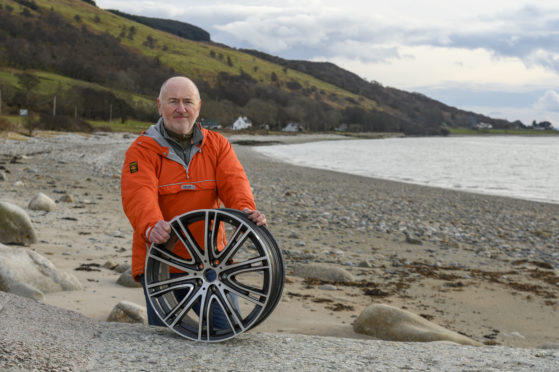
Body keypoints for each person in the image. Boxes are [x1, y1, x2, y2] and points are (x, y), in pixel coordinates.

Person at [121, 76, 266, 326]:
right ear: (159, 106)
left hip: (211, 264)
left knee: (227, 330)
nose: (181, 109)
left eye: (188, 102)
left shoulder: (217, 145)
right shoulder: (141, 150)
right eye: (173, 102)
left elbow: (235, 183)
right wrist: (151, 225)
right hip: (160, 266)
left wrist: (246, 211)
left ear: (198, 106)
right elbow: (138, 194)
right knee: (166, 339)